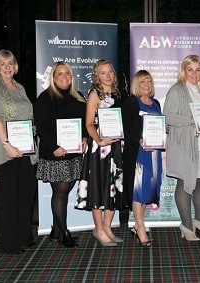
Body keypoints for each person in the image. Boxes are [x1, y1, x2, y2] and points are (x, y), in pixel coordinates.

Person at [163, 55, 200, 241]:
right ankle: (187, 226)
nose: (194, 74)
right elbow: (168, 116)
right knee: (185, 184)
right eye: (190, 70)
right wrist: (190, 120)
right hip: (186, 145)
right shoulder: (177, 90)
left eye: (198, 70)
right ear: (184, 71)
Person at [0, 49, 38, 254]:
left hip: (25, 150)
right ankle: (9, 243)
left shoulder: (20, 87)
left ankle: (23, 235)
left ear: (15, 66)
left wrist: (31, 128)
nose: (7, 67)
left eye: (10, 63)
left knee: (26, 194)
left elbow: (27, 114)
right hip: (5, 149)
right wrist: (7, 144)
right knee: (8, 198)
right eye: (2, 64)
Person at [34, 62, 87, 248]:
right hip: (55, 153)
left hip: (73, 152)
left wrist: (85, 138)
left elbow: (85, 121)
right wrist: (54, 146)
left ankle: (56, 230)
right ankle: (63, 232)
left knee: (67, 189)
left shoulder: (78, 96)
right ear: (53, 77)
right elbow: (41, 126)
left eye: (67, 74)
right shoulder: (46, 97)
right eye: (60, 74)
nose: (64, 77)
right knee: (61, 192)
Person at [75, 59, 125, 246]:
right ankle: (98, 229)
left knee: (113, 186)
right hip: (99, 149)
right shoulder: (94, 94)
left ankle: (107, 227)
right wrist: (99, 140)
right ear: (97, 75)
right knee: (97, 187)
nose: (108, 75)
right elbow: (88, 123)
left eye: (110, 71)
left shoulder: (119, 94)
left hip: (116, 148)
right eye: (103, 73)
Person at [121, 70, 163, 247]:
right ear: (136, 85)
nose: (147, 85)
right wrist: (139, 139)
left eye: (149, 82)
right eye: (143, 82)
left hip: (153, 154)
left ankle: (138, 225)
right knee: (138, 190)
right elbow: (123, 128)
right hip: (137, 153)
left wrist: (163, 130)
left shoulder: (156, 103)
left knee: (147, 191)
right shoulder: (131, 102)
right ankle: (140, 228)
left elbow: (157, 126)